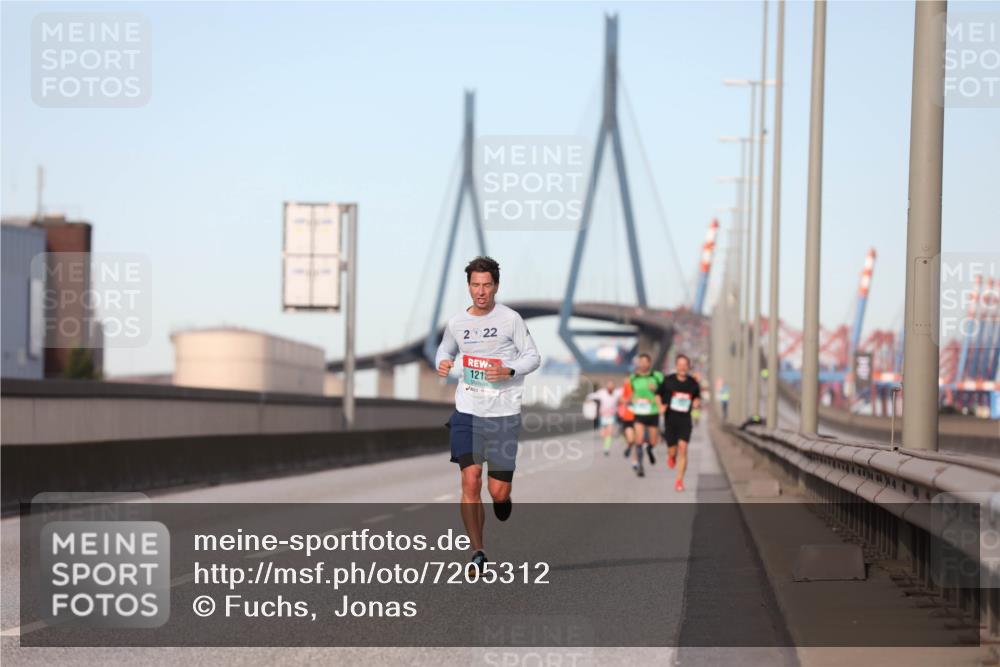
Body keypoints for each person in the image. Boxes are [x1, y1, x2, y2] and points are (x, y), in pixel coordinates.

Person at [435, 256, 541, 576]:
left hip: (504, 414)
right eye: (475, 285)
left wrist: (509, 369)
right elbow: (445, 349)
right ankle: (478, 551)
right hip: (467, 411)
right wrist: (443, 362)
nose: (481, 292)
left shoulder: (511, 320)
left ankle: (503, 501)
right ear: (469, 286)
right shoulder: (457, 323)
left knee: (498, 491)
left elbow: (533, 357)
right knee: (470, 479)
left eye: (487, 285)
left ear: (496, 286)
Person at [658, 354, 702, 492]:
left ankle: (679, 481)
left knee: (683, 448)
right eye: (680, 364)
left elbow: (697, 398)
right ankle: (671, 456)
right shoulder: (668, 381)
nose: (682, 367)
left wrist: (696, 403)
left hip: (685, 420)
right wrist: (660, 406)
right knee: (673, 450)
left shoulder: (693, 383)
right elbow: (657, 394)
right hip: (670, 420)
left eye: (685, 365)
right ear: (676, 366)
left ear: (688, 367)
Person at [627, 353, 664, 478]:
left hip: (653, 412)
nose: (643, 364)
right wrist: (633, 400)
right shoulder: (633, 378)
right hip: (639, 413)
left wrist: (656, 390)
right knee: (639, 439)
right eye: (640, 362)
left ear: (649, 363)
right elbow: (632, 393)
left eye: (645, 362)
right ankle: (640, 466)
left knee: (653, 441)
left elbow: (664, 391)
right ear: (638, 363)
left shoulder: (657, 376)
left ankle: (649, 449)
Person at [586, 380, 622, 456]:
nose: (610, 388)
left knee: (610, 432)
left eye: (612, 386)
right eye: (609, 386)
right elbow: (592, 395)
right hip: (603, 416)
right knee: (603, 434)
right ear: (606, 387)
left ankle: (606, 448)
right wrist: (588, 400)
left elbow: (625, 390)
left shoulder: (617, 393)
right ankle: (605, 444)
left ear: (614, 387)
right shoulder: (602, 393)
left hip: (612, 416)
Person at [617, 378, 636, 459]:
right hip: (629, 418)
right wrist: (630, 398)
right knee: (631, 440)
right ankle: (629, 447)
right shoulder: (627, 386)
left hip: (641, 417)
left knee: (638, 442)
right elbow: (621, 399)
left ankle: (636, 463)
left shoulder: (645, 386)